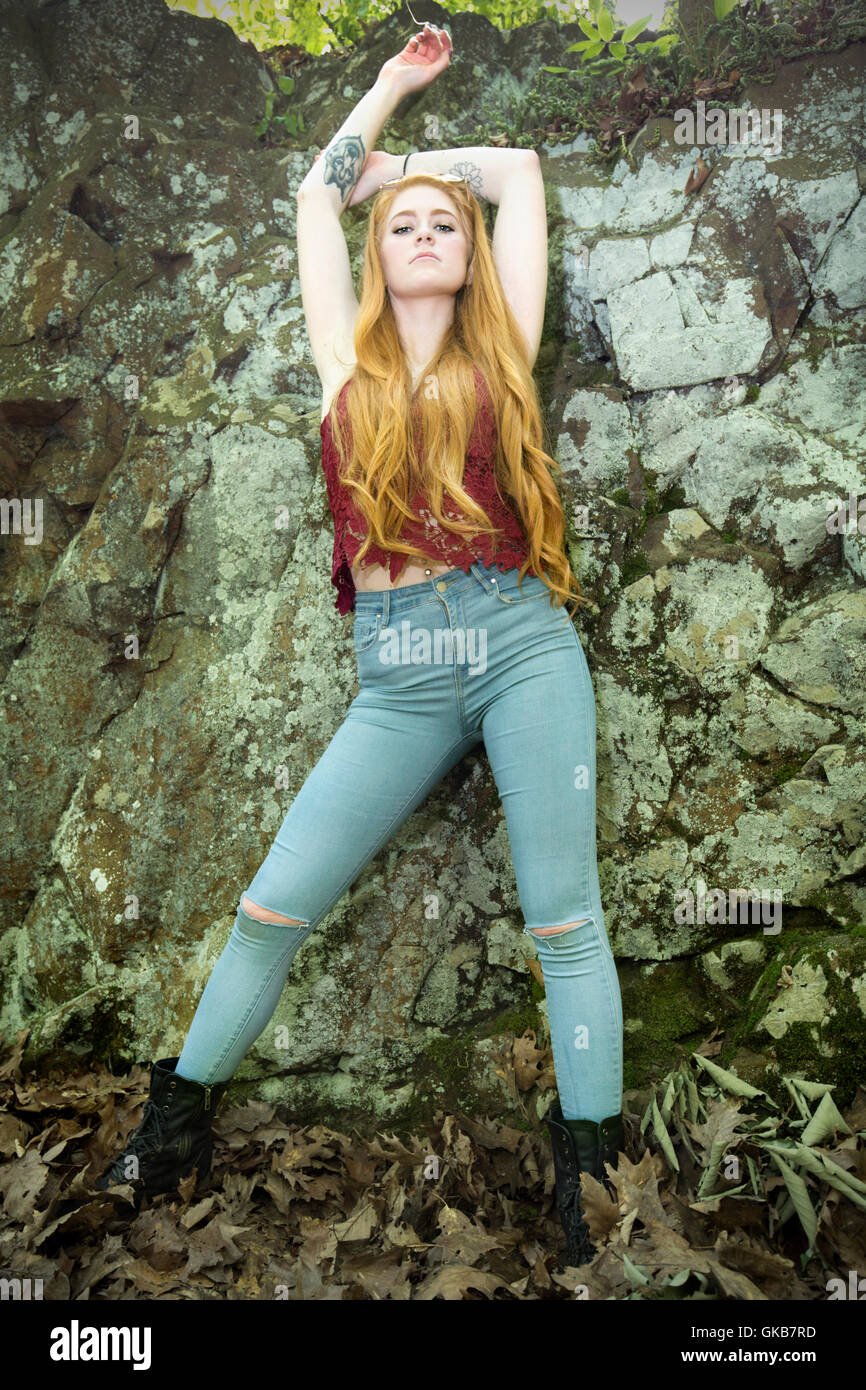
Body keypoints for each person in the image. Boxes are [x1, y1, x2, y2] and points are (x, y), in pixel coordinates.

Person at [95, 22, 624, 1270]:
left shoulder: (509, 345)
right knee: (271, 906)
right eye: (403, 226)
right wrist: (388, 99)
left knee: (567, 925)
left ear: (470, 253)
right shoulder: (343, 356)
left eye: (447, 223)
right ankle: (172, 1127)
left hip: (517, 643)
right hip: (394, 676)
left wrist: (425, 170)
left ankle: (589, 1179)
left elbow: (522, 173)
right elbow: (311, 192)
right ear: (373, 255)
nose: (428, 231)